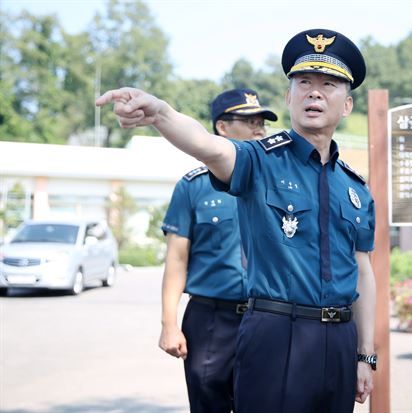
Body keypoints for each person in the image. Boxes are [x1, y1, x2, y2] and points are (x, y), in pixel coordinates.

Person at [97, 28, 377, 413]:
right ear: (288, 97)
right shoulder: (259, 160)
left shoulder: (355, 188)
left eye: (329, 84)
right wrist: (161, 113)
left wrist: (366, 355)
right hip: (278, 334)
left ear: (346, 105)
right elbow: (207, 145)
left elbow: (363, 271)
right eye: (305, 83)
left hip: (339, 340)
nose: (315, 92)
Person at [158, 88, 277, 413]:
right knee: (209, 405)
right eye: (250, 121)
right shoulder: (194, 186)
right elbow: (177, 259)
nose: (259, 129)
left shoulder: (277, 182)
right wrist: (169, 323)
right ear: (222, 128)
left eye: (262, 122)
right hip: (211, 319)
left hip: (267, 317)